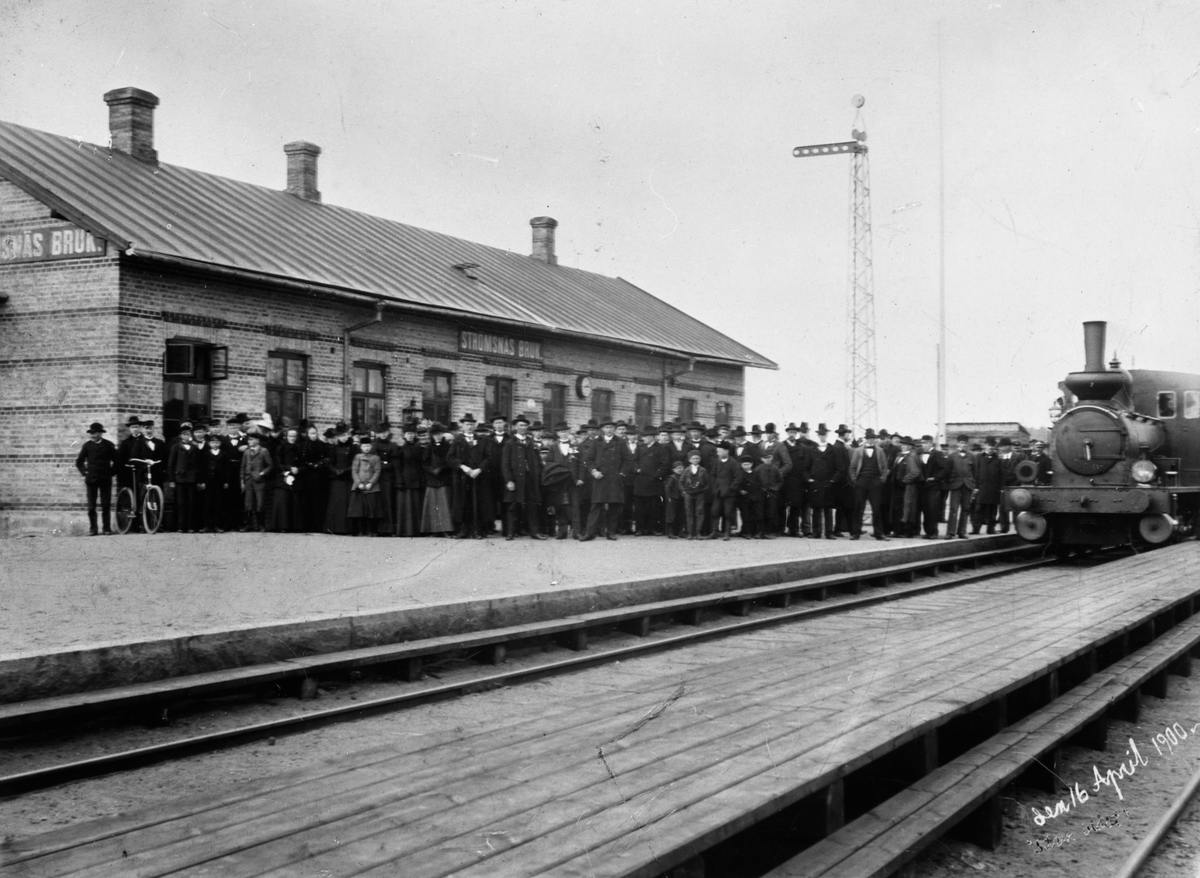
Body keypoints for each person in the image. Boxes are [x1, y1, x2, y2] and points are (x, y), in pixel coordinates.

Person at [580, 418, 635, 541]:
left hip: (615, 478)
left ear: (614, 429)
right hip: (600, 478)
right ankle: (590, 533)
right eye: (606, 427)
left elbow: (628, 460)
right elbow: (588, 460)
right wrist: (594, 471)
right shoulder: (596, 442)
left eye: (611, 427)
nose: (609, 430)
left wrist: (622, 473)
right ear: (602, 429)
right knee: (596, 505)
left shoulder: (620, 442)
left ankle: (611, 532)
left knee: (614, 506)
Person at [501, 416, 546, 540]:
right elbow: (505, 464)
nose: (523, 428)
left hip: (531, 479)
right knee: (513, 506)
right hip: (516, 479)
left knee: (533, 506)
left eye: (525, 425)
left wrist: (540, 476)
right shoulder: (509, 443)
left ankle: (534, 532)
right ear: (515, 427)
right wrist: (509, 480)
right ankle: (511, 532)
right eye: (520, 425)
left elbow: (538, 462)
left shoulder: (532, 443)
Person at [448, 414, 491, 539]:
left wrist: (479, 469)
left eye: (472, 424)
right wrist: (463, 467)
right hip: (462, 477)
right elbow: (450, 458)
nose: (469, 427)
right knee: (462, 503)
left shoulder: (482, 440)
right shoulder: (457, 440)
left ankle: (477, 530)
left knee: (477, 503)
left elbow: (488, 457)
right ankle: (463, 530)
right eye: (467, 424)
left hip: (478, 477)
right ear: (462, 426)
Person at [76, 421, 118, 535]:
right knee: (91, 506)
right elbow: (79, 462)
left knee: (106, 505)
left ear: (100, 433)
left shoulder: (108, 445)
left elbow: (117, 461)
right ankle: (93, 529)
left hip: (105, 479)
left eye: (94, 433)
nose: (92, 435)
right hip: (91, 480)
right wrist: (85, 472)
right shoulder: (87, 446)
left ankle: (106, 528)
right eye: (91, 433)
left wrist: (111, 473)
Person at [849, 428, 890, 541]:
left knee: (876, 508)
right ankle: (855, 533)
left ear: (874, 439)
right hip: (861, 480)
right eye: (868, 438)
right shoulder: (858, 451)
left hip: (875, 481)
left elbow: (884, 468)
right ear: (865, 439)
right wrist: (855, 480)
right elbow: (852, 467)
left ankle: (879, 533)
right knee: (859, 507)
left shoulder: (880, 451)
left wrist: (882, 479)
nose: (870, 440)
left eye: (872, 438)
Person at [807, 424, 843, 539]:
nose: (822, 436)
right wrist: (809, 479)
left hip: (828, 482)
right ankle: (816, 532)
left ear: (827, 435)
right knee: (816, 508)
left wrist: (833, 480)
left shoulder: (833, 450)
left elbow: (839, 468)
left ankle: (829, 532)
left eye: (824, 434)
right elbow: (805, 467)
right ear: (818, 435)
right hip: (816, 483)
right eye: (820, 434)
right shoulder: (812, 450)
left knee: (828, 508)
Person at [421, 424, 456, 536]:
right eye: (435, 434)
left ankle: (447, 529)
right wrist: (432, 470)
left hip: (445, 478)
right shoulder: (429, 448)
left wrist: (442, 469)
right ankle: (435, 530)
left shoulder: (448, 447)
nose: (437, 436)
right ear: (432, 435)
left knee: (445, 505)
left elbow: (450, 461)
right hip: (432, 479)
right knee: (433, 505)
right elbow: (424, 463)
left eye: (439, 434)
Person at [943, 434, 977, 540]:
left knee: (965, 509)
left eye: (965, 443)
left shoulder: (972, 457)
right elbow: (947, 471)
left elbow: (975, 472)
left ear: (967, 444)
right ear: (958, 444)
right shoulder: (952, 456)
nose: (963, 445)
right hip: (955, 485)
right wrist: (950, 482)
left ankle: (962, 532)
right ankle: (950, 532)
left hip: (968, 485)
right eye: (961, 443)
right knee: (953, 509)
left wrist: (974, 485)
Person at [348, 436, 384, 536]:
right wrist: (358, 483)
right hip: (359, 487)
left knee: (371, 509)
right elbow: (354, 471)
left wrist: (371, 483)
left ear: (371, 446)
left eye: (368, 446)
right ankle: (360, 531)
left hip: (372, 487)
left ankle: (371, 531)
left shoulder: (376, 458)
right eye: (364, 446)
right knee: (359, 510)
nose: (366, 448)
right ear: (361, 447)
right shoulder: (357, 457)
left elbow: (377, 471)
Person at [167, 423, 200, 533]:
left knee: (191, 502)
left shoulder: (194, 447)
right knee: (180, 503)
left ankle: (190, 526)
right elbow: (171, 464)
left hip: (191, 478)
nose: (186, 436)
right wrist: (171, 480)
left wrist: (198, 478)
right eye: (184, 434)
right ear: (181, 435)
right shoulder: (175, 447)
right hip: (179, 478)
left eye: (188, 434)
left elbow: (198, 463)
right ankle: (180, 526)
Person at [708, 441, 742, 541]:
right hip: (718, 492)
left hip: (729, 493)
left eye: (719, 451)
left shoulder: (733, 463)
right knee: (715, 511)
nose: (718, 453)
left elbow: (737, 478)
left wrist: (731, 488)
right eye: (717, 451)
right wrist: (714, 487)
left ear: (726, 451)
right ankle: (714, 532)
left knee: (728, 512)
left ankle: (727, 532)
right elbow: (713, 474)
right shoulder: (716, 461)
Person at [198, 433, 232, 532]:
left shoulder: (224, 454)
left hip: (219, 482)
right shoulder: (206, 454)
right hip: (208, 482)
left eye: (217, 442)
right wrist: (202, 482)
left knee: (218, 504)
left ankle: (217, 526)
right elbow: (202, 469)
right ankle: (206, 526)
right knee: (207, 504)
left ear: (220, 443)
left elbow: (227, 469)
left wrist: (226, 482)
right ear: (209, 444)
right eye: (213, 442)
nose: (215, 444)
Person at [239, 431, 273, 532]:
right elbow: (243, 466)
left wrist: (263, 473)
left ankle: (261, 525)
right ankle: (248, 525)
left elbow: (270, 465)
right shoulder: (246, 452)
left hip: (259, 480)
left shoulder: (264, 451)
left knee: (260, 503)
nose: (249, 441)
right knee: (248, 503)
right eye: (248, 440)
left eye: (252, 439)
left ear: (257, 440)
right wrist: (242, 480)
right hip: (248, 480)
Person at [916, 434, 946, 539]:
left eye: (926, 443)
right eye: (923, 443)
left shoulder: (938, 454)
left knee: (933, 508)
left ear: (931, 443)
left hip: (934, 486)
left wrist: (935, 478)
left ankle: (934, 532)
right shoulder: (920, 454)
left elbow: (945, 469)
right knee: (925, 509)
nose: (924, 445)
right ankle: (928, 532)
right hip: (923, 486)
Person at [973, 438, 1003, 534]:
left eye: (992, 446)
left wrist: (1001, 488)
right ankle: (976, 529)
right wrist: (975, 486)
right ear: (985, 446)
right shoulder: (979, 457)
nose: (990, 447)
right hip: (981, 488)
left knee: (992, 509)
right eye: (989, 445)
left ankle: (991, 529)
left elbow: (1001, 475)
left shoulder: (998, 459)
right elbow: (975, 472)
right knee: (978, 509)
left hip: (993, 489)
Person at [997, 438, 1025, 533]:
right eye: (1000, 446)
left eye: (1002, 446)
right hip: (1003, 487)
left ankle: (1018, 528)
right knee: (1002, 507)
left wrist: (1019, 484)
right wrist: (1001, 487)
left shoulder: (1018, 457)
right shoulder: (1000, 458)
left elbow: (1022, 471)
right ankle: (1004, 528)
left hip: (1015, 486)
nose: (1001, 448)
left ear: (1008, 446)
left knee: (1016, 507)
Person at [680, 450, 709, 540]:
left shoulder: (703, 470)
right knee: (689, 512)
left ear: (700, 459)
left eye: (697, 458)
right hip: (688, 493)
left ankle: (698, 532)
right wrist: (684, 491)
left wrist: (703, 491)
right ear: (689, 460)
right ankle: (690, 532)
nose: (695, 460)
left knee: (699, 512)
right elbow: (681, 482)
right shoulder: (686, 470)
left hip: (699, 493)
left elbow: (707, 483)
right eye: (693, 458)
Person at [737, 456, 766, 539]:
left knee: (756, 515)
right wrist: (740, 491)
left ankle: (756, 532)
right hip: (744, 499)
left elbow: (760, 485)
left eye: (748, 464)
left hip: (755, 498)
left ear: (751, 464)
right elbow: (737, 485)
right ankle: (747, 532)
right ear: (741, 465)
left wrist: (757, 495)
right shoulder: (740, 474)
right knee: (745, 515)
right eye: (744, 465)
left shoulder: (756, 474)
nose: (746, 466)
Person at [663, 459, 686, 539]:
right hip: (673, 498)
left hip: (681, 498)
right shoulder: (672, 478)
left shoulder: (684, 477)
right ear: (673, 470)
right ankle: (670, 532)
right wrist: (668, 497)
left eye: (681, 468)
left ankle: (680, 531)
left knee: (681, 515)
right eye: (677, 468)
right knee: (671, 515)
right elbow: (667, 488)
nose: (680, 470)